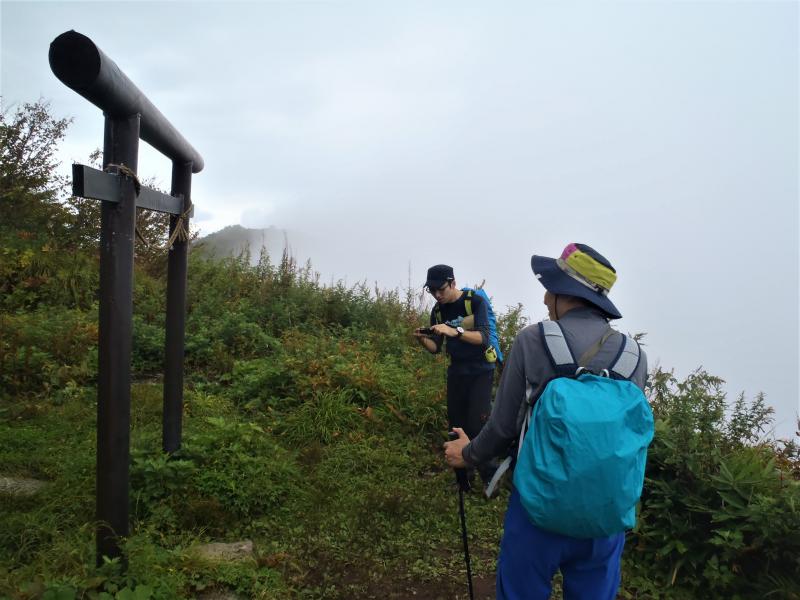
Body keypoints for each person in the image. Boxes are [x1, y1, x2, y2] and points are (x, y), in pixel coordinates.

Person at [443, 243, 649, 600]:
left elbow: (503, 427)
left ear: (565, 293)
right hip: (605, 517)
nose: (544, 298)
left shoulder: (532, 341)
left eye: (549, 287)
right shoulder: (634, 358)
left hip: (537, 510)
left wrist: (468, 454)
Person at [414, 264, 497, 488]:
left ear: (452, 283)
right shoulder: (438, 311)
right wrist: (423, 339)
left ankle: (490, 476)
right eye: (432, 291)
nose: (437, 295)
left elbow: (484, 338)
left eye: (441, 289)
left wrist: (455, 331)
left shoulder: (474, 302)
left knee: (477, 425)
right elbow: (436, 348)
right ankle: (463, 480)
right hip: (457, 371)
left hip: (481, 371)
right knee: (456, 425)